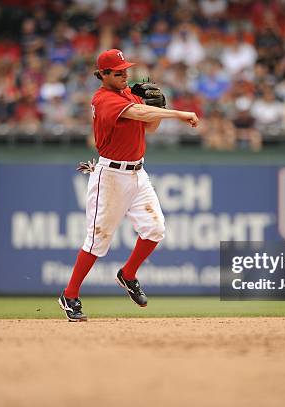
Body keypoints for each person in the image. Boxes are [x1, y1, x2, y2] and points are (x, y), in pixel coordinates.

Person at [58, 49, 199, 322]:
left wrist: (157, 110)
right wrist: (178, 113)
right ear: (103, 75)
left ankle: (128, 274)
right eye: (118, 71)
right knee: (98, 241)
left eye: (125, 70)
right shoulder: (103, 99)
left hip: (137, 173)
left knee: (155, 229)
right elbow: (137, 112)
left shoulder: (126, 93)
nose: (125, 74)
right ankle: (70, 294)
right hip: (110, 176)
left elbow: (150, 127)